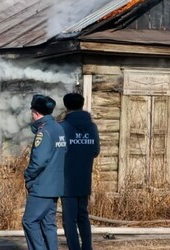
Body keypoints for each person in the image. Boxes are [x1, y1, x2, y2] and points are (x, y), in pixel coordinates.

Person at [22, 94, 67, 250]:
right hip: (55, 185)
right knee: (48, 223)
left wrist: (27, 176)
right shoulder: (58, 128)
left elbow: (39, 161)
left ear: (35, 112)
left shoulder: (44, 131)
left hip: (42, 186)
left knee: (29, 221)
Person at [60, 92, 100, 250]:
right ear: (82, 105)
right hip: (84, 178)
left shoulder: (63, 127)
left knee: (69, 219)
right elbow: (95, 151)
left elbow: (58, 151)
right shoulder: (92, 126)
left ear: (66, 106)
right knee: (83, 216)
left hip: (66, 180)